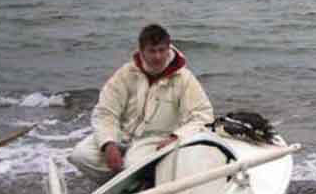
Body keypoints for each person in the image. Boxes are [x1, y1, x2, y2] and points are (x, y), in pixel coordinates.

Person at [69, 24, 214, 184]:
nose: (157, 56)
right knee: (80, 155)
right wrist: (108, 144)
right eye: (152, 51)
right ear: (141, 51)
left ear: (168, 48)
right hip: (122, 135)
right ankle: (116, 185)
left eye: (161, 50)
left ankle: (132, 184)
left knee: (132, 166)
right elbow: (105, 112)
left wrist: (176, 137)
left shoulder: (184, 78)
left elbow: (203, 115)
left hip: (156, 141)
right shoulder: (126, 74)